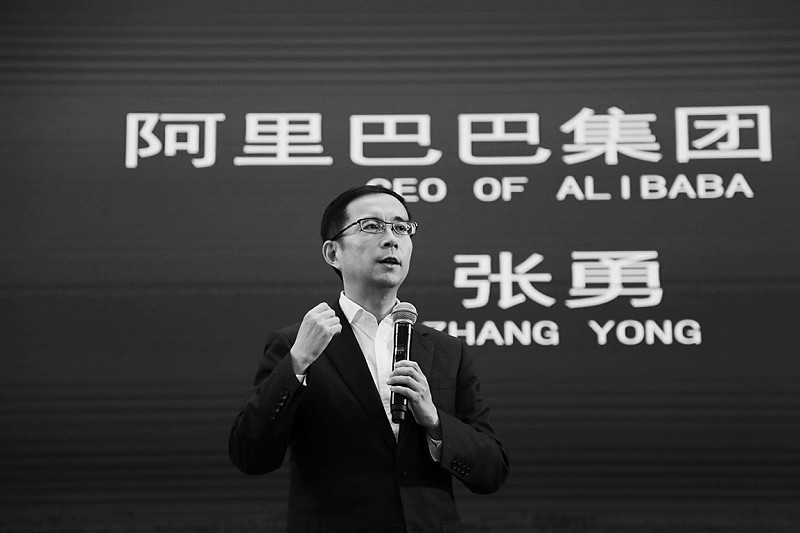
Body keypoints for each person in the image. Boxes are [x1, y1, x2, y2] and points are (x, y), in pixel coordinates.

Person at [229, 184, 509, 532]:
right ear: (333, 252)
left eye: (401, 228)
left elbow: (492, 471)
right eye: (372, 226)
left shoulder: (446, 350)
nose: (391, 239)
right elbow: (250, 456)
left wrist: (436, 422)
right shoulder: (297, 344)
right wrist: (296, 365)